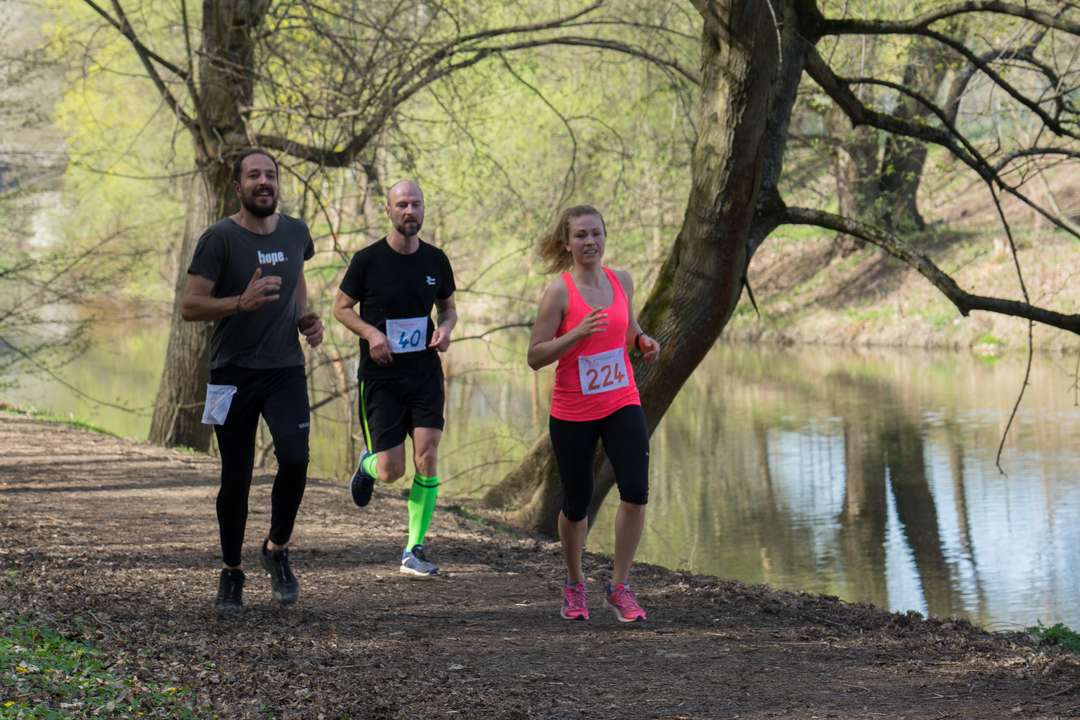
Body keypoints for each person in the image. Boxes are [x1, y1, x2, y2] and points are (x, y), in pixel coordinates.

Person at [181, 148, 324, 612]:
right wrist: (238, 303)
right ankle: (231, 571)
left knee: (296, 459)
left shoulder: (296, 232)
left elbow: (297, 277)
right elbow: (190, 306)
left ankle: (276, 548)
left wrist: (304, 318)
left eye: (271, 175)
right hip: (232, 372)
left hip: (285, 369)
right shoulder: (219, 238)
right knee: (236, 475)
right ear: (237, 186)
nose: (264, 182)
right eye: (254, 176)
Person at [526, 205, 661, 622]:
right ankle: (574, 583)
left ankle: (620, 587)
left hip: (621, 399)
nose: (590, 242)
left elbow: (628, 325)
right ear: (567, 243)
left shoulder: (622, 280)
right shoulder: (560, 292)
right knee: (576, 504)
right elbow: (535, 356)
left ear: (605, 237)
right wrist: (576, 334)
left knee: (635, 491)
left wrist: (641, 340)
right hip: (574, 410)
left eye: (596, 233)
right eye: (581, 235)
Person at [333, 180, 456, 578]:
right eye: (401, 204)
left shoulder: (436, 260)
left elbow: (448, 308)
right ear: (388, 210)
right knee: (390, 470)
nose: (409, 211)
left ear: (423, 209)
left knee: (428, 457)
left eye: (415, 204)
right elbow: (341, 308)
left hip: (424, 374)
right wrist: (371, 334)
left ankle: (413, 550)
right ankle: (366, 466)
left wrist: (446, 329)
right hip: (381, 377)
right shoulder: (368, 260)